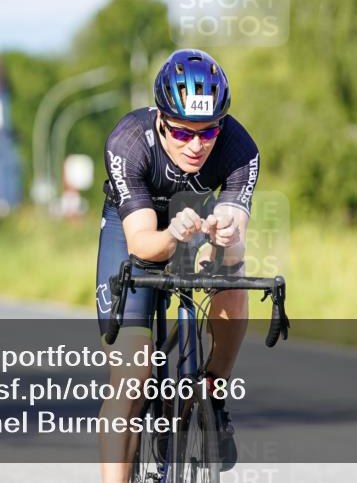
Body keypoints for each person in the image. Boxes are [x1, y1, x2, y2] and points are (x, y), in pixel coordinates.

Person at [95, 49, 259, 482]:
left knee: (232, 280)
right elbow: (144, 243)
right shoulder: (128, 142)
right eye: (184, 133)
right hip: (136, 228)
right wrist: (172, 237)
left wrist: (224, 242)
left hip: (195, 218)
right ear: (161, 120)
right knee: (132, 374)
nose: (196, 145)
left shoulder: (240, 149)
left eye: (207, 134)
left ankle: (211, 393)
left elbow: (235, 238)